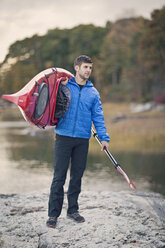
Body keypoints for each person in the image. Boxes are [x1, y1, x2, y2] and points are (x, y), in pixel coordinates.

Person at [46, 55, 110, 228]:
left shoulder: (93, 93)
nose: (88, 70)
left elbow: (98, 117)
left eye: (90, 67)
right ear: (76, 68)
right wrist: (59, 87)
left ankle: (72, 210)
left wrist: (104, 138)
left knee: (77, 177)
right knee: (59, 177)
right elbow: (50, 102)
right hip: (63, 137)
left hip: (82, 139)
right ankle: (53, 215)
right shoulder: (64, 87)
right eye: (85, 67)